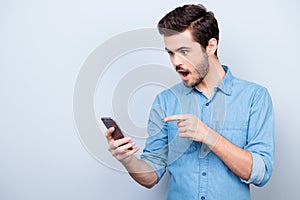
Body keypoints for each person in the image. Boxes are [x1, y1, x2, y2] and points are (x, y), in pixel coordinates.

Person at [105, 4, 274, 200]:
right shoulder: (165, 102)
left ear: (210, 46)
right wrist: (127, 160)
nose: (176, 62)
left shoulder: (254, 98)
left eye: (184, 51)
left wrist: (208, 136)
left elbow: (261, 174)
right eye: (170, 52)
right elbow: (150, 177)